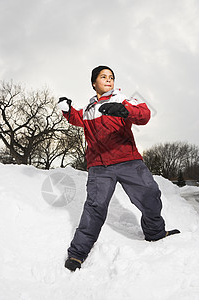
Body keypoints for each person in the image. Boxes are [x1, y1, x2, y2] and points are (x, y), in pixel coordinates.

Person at [57, 65, 180, 272]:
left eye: (111, 77)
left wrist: (125, 111)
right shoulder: (88, 110)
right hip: (99, 166)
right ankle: (78, 253)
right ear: (94, 83)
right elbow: (78, 119)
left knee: (150, 195)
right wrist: (67, 110)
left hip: (128, 160)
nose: (108, 80)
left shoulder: (121, 99)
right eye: (103, 77)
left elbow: (144, 114)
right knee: (95, 207)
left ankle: (155, 232)